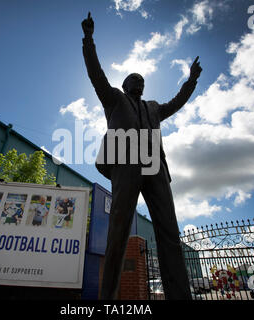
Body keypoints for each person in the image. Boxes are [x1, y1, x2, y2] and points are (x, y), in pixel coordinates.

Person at [81, 12, 202, 300]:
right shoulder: (113, 99)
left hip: (155, 167)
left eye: (143, 79)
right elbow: (96, 74)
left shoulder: (154, 107)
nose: (140, 82)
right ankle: (107, 299)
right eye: (135, 79)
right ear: (124, 85)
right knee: (118, 230)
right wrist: (88, 39)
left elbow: (177, 102)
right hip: (126, 165)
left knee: (169, 232)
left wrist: (191, 80)